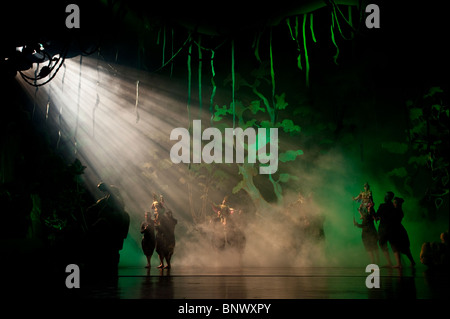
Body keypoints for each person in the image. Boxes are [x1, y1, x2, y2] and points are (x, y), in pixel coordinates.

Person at [390, 197, 415, 267]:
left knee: (401, 247)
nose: (393, 204)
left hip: (397, 230)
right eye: (393, 202)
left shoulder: (398, 211)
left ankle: (400, 263)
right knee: (400, 247)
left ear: (398, 204)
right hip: (398, 229)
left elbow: (393, 220)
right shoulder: (396, 210)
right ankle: (406, 262)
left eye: (395, 202)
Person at [375, 191, 396, 267]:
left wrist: (371, 209)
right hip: (392, 228)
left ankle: (390, 262)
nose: (385, 197)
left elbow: (376, 217)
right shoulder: (394, 206)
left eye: (386, 196)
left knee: (383, 244)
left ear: (389, 197)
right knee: (393, 245)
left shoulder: (383, 206)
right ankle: (398, 263)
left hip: (384, 228)